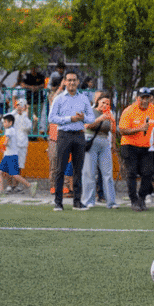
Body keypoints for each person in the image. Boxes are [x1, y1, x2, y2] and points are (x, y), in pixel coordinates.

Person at [47, 71, 95, 211]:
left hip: (79, 135)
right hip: (64, 135)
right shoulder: (59, 99)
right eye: (69, 80)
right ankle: (58, 202)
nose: (72, 83)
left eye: (74, 80)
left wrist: (83, 118)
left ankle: (77, 202)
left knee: (78, 170)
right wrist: (70, 119)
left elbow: (91, 118)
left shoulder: (84, 98)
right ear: (65, 82)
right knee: (60, 169)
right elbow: (51, 118)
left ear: (78, 82)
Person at [118, 88, 154, 212]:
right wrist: (139, 129)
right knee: (131, 173)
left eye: (147, 98)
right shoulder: (129, 110)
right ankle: (133, 200)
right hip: (129, 145)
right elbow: (122, 130)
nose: (145, 100)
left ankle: (142, 198)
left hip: (145, 147)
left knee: (148, 172)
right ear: (137, 98)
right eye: (142, 98)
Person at [82, 94, 118, 209]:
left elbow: (113, 131)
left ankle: (111, 202)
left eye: (107, 103)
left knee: (107, 173)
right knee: (89, 172)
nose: (105, 105)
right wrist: (100, 119)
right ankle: (88, 201)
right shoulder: (91, 111)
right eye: (103, 102)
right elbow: (87, 126)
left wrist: (112, 121)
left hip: (104, 141)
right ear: (97, 102)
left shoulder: (109, 113)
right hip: (91, 140)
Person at [0, 114, 37, 197]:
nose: (4, 124)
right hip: (8, 155)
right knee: (0, 171)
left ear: (10, 123)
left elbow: (6, 141)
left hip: (11, 156)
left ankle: (30, 185)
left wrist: (2, 144)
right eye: (3, 122)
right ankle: (1, 190)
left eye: (5, 122)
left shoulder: (9, 130)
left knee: (14, 175)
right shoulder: (11, 130)